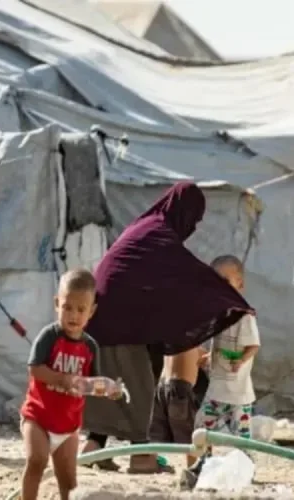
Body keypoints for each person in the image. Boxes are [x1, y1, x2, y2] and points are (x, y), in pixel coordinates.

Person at [81, 182, 254, 474]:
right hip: (121, 324)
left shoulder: (144, 229)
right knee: (141, 386)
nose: (193, 226)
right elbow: (189, 275)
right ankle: (141, 457)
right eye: (194, 218)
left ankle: (94, 447)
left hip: (96, 319)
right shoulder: (159, 235)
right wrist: (228, 300)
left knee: (114, 384)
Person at [19, 269, 122, 500]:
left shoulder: (90, 347)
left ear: (91, 311)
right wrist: (62, 379)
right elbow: (34, 368)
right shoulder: (49, 336)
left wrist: (108, 390)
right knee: (36, 460)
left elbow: (91, 383)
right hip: (38, 417)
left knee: (68, 479)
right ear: (57, 304)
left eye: (80, 309)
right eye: (67, 307)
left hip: (68, 425)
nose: (73, 315)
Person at [195, 256, 260, 441]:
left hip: (238, 394)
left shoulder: (244, 316)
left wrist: (241, 359)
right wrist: (209, 356)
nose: (220, 287)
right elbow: (218, 344)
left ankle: (247, 465)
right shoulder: (220, 315)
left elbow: (254, 345)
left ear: (240, 284)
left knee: (241, 436)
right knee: (201, 427)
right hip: (216, 390)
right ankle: (202, 463)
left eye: (226, 281)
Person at [148, 345, 207, 468]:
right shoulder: (191, 338)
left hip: (162, 385)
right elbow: (205, 358)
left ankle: (150, 462)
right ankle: (193, 469)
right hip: (180, 388)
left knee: (156, 436)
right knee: (191, 439)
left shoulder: (172, 338)